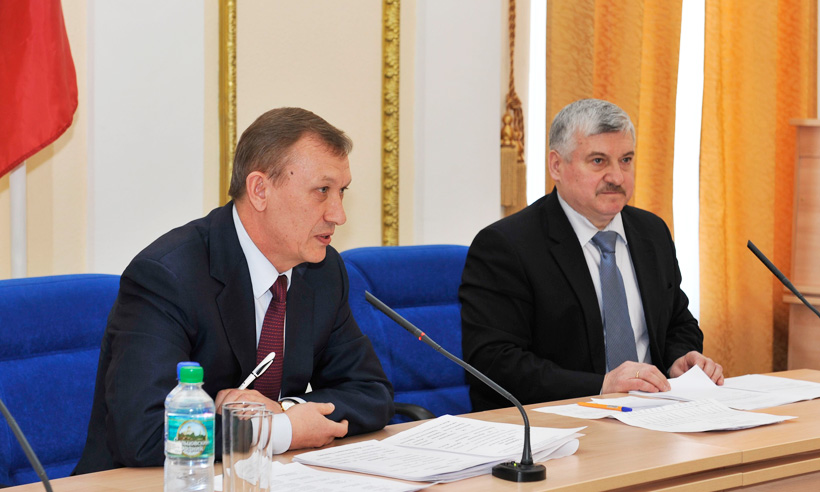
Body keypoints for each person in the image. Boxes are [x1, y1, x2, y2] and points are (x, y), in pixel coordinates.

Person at [74, 107, 394, 474]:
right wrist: (277, 431)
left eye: (341, 192)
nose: (338, 214)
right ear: (260, 190)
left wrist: (285, 409)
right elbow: (143, 433)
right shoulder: (167, 276)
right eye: (322, 191)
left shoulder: (322, 272)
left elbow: (372, 393)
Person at [460, 98, 723, 411]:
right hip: (560, 420)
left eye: (625, 160)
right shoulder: (507, 246)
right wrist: (601, 385)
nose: (617, 177)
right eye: (599, 161)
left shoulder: (651, 232)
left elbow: (678, 322)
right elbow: (494, 361)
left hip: (655, 413)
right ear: (556, 166)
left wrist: (679, 358)